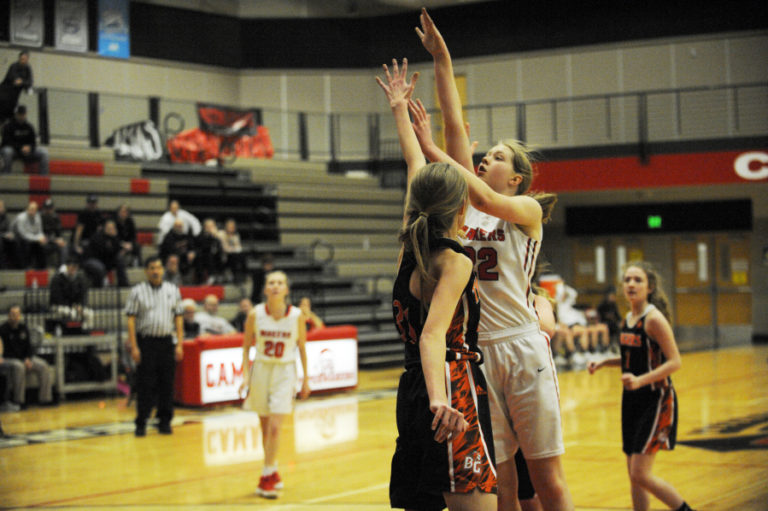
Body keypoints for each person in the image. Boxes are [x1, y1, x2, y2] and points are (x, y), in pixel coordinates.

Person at [412, 9, 573, 510]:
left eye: (498, 157)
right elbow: (455, 121)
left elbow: (480, 194)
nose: (486, 160)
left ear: (518, 177)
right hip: (479, 353)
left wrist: (432, 148)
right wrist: (443, 60)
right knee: (501, 481)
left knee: (547, 479)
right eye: (486, 156)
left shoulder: (525, 211)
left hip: (523, 348)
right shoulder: (468, 206)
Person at [377, 59, 496, 511]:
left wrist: (399, 110)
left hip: (410, 389)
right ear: (461, 202)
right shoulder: (456, 261)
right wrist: (441, 400)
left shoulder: (412, 238)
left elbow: (413, 160)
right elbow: (433, 335)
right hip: (451, 385)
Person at [588, 261, 695, 511]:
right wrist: (604, 362)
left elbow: (675, 361)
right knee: (633, 475)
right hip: (632, 401)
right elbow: (631, 361)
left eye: (637, 280)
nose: (631, 284)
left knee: (641, 474)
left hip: (656, 399)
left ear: (650, 287)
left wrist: (640, 380)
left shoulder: (653, 319)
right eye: (627, 280)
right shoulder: (628, 318)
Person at [239, 270, 311, 499]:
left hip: (284, 371)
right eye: (271, 282)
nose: (276, 286)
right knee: (264, 427)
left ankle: (266, 477)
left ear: (286, 289)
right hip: (261, 369)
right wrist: (245, 376)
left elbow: (301, 348)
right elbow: (245, 347)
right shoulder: (255, 314)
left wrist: (306, 378)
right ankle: (273, 468)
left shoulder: (297, 315)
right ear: (265, 288)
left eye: (280, 282)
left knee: (275, 427)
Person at [124, 256, 184, 437]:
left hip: (166, 341)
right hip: (146, 342)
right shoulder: (137, 291)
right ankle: (141, 422)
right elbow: (131, 320)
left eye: (158, 267)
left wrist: (179, 344)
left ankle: (164, 421)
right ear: (146, 271)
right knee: (145, 384)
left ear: (163, 270)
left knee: (167, 383)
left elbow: (179, 318)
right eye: (151, 268)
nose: (155, 271)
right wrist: (134, 347)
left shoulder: (173, 290)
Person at [0, 305, 53, 407]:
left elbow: (29, 347)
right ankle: (19, 401)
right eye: (12, 314)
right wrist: (23, 360)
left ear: (19, 316)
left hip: (25, 358)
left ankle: (45, 399)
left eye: (16, 314)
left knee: (43, 365)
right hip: (10, 359)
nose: (14, 317)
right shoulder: (3, 330)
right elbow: (5, 350)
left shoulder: (23, 328)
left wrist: (28, 358)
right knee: (19, 366)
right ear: (9, 316)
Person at [49, 256, 94, 331]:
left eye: (75, 267)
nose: (73, 269)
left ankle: (86, 332)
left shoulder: (79, 278)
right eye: (72, 267)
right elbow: (57, 297)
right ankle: (71, 332)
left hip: (74, 305)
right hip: (58, 305)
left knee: (89, 313)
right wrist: (72, 306)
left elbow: (82, 294)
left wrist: (80, 305)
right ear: (67, 267)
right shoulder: (58, 279)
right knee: (72, 313)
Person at [1, 105, 48, 175]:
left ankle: (43, 177)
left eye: (23, 114)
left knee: (44, 152)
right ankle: (6, 174)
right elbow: (6, 142)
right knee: (7, 151)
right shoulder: (8, 126)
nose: (21, 116)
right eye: (20, 114)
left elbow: (33, 142)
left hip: (26, 151)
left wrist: (29, 147)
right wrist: (20, 147)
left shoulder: (29, 127)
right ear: (16, 114)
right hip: (14, 151)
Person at [82, 219, 129, 287]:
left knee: (120, 259)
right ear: (105, 228)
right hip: (91, 260)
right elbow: (103, 252)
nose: (111, 229)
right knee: (100, 267)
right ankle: (98, 288)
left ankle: (123, 284)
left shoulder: (114, 238)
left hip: (105, 261)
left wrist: (123, 249)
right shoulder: (97, 237)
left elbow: (116, 252)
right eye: (109, 228)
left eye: (113, 228)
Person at [0, 51, 33, 125]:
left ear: (27, 59)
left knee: (11, 119)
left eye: (24, 59)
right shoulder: (13, 66)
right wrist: (22, 82)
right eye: (21, 59)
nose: (23, 61)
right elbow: (14, 79)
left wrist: (22, 82)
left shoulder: (28, 68)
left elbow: (30, 82)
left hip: (13, 99)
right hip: (3, 97)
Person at [11, 201, 46, 269]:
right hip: (18, 238)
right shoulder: (21, 218)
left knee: (41, 244)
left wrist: (42, 237)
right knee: (26, 244)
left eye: (34, 210)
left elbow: (39, 231)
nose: (32, 211)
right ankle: (26, 267)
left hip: (32, 237)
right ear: (27, 209)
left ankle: (41, 268)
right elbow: (23, 234)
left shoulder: (37, 217)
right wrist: (37, 239)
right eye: (31, 209)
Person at [218, 218, 247, 284]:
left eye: (233, 226)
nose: (232, 228)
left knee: (241, 256)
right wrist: (233, 248)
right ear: (226, 227)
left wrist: (233, 248)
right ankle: (235, 276)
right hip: (223, 257)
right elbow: (225, 248)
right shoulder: (221, 234)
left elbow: (239, 248)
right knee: (235, 256)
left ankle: (242, 275)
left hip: (233, 256)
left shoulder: (236, 235)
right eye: (230, 226)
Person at [41, 199, 68, 268]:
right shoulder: (39, 218)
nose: (48, 211)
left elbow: (59, 233)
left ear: (53, 209)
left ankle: (62, 268)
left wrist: (60, 240)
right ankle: (41, 267)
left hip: (52, 242)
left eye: (50, 208)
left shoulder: (56, 218)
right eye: (46, 208)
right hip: (41, 242)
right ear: (43, 209)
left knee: (63, 246)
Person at [195, 218, 223, 284]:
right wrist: (211, 236)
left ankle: (218, 276)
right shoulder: (200, 236)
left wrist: (215, 237)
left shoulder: (216, 236)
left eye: (212, 226)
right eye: (208, 226)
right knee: (208, 256)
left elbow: (219, 248)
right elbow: (203, 247)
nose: (210, 228)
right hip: (203, 256)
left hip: (215, 257)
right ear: (205, 227)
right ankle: (208, 277)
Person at [0, 199, 19, 269]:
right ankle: (2, 267)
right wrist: (2, 235)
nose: (1, 208)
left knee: (15, 241)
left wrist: (10, 234)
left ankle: (15, 266)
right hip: (1, 238)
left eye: (2, 207)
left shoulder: (5, 217)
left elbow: (8, 228)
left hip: (4, 237)